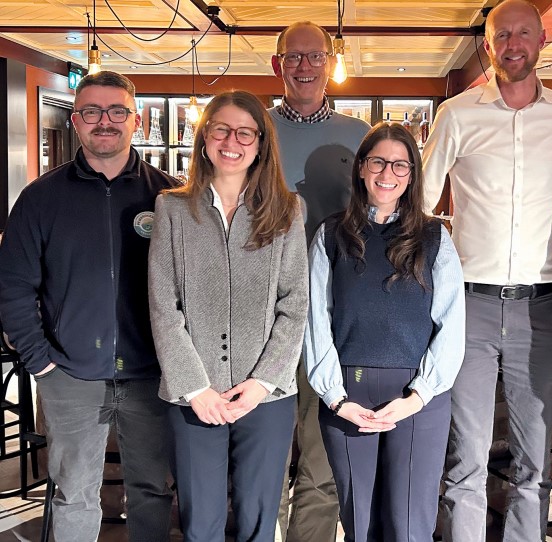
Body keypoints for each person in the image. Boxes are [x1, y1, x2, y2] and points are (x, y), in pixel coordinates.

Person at [422, 1, 552, 540]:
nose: (513, 44)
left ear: (542, 40)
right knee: (466, 461)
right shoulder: (457, 114)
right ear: (488, 45)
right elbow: (420, 201)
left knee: (534, 464)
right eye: (503, 35)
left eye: (524, 33)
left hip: (542, 306)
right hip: (469, 306)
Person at [0, 71, 174, 542]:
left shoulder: (170, 197)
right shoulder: (40, 198)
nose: (105, 121)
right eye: (92, 111)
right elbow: (13, 287)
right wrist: (41, 364)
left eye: (117, 111)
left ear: (136, 120)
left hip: (152, 375)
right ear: (75, 121)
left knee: (152, 491)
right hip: (70, 376)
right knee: (73, 494)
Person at [147, 90, 308, 541]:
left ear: (260, 144)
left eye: (244, 133)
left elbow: (295, 304)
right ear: (204, 138)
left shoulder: (288, 210)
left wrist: (261, 383)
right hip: (194, 396)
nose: (231, 141)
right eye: (221, 129)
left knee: (259, 519)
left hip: (266, 397)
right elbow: (163, 305)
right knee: (200, 523)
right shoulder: (172, 208)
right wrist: (196, 388)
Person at [305, 122, 465, 541]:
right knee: (360, 524)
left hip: (418, 397)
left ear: (412, 174)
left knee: (409, 526)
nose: (387, 173)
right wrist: (335, 398)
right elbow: (315, 319)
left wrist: (419, 396)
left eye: (399, 164)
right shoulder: (331, 235)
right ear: (361, 167)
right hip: (347, 394)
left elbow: (451, 323)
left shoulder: (434, 237)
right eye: (378, 162)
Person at [270, 20, 371, 541]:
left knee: (322, 457)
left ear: (330, 63)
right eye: (294, 56)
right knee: (262, 458)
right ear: (278, 65)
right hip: (261, 316)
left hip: (331, 316)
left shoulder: (360, 136)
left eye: (315, 56)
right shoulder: (255, 129)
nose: (305, 66)